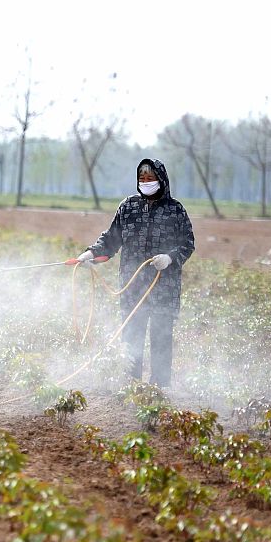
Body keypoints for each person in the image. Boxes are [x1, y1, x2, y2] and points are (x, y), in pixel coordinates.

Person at [76, 158, 195, 388]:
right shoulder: (128, 207)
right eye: (142, 178)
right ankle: (131, 385)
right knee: (132, 337)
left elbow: (187, 243)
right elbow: (111, 240)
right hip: (132, 287)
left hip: (163, 288)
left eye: (150, 178)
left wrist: (170, 257)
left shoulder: (175, 210)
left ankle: (158, 389)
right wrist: (90, 255)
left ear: (161, 180)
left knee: (161, 339)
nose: (146, 182)